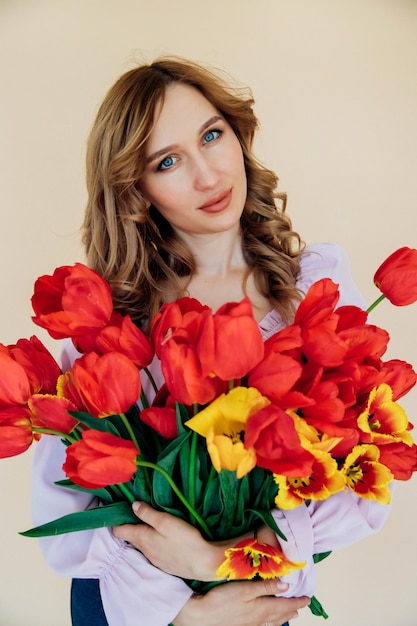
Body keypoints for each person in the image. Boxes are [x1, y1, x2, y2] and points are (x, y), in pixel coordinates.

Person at [31, 57, 392, 626]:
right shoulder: (107, 326)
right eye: (168, 161)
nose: (207, 175)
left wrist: (223, 559)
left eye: (212, 135)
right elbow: (65, 525)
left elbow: (361, 480)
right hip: (132, 612)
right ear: (137, 190)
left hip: (258, 599)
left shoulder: (314, 288)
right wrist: (185, 612)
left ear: (237, 135)